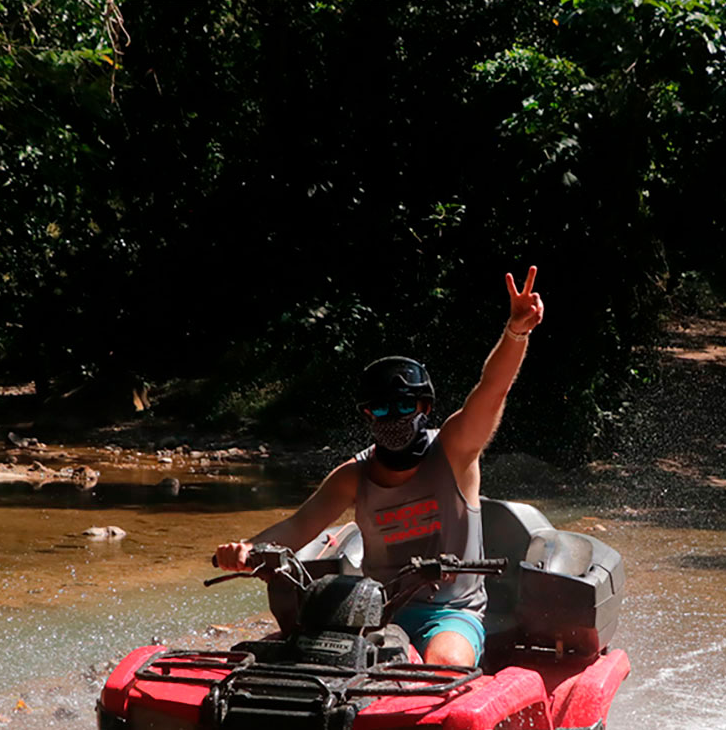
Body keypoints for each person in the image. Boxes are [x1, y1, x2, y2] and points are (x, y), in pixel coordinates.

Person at [214, 266, 545, 667]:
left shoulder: (455, 450)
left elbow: (492, 388)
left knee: (444, 663)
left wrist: (516, 332)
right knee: (282, 657)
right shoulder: (353, 476)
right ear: (368, 415)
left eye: (405, 406)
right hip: (374, 612)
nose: (395, 417)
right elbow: (298, 527)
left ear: (425, 407)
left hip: (452, 614)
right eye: (383, 409)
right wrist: (248, 551)